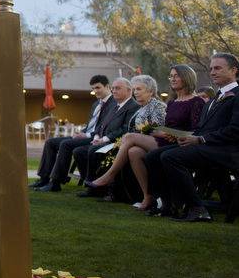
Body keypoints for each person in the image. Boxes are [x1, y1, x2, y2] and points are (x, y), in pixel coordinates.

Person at [86, 66, 204, 211]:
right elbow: (163, 127)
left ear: (187, 78)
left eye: (176, 76)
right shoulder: (172, 102)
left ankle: (110, 175)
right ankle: (147, 197)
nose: (172, 78)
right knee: (134, 152)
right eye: (171, 76)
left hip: (179, 143)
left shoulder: (196, 101)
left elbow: (197, 130)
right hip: (163, 138)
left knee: (129, 137)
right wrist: (156, 131)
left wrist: (158, 131)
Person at [145, 53, 239, 222]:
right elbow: (202, 129)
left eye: (217, 68)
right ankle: (169, 205)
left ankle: (197, 208)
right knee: (152, 156)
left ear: (234, 70)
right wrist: (188, 137)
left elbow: (235, 130)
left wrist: (200, 139)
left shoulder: (236, 95)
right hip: (207, 146)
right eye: (211, 69)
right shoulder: (214, 99)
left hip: (228, 150)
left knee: (170, 157)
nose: (212, 72)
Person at [32, 75, 113, 192]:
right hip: (86, 135)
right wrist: (82, 132)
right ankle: (44, 178)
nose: (95, 91)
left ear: (107, 86)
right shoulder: (96, 104)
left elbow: (103, 127)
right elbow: (91, 123)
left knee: (66, 144)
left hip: (97, 138)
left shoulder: (113, 104)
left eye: (98, 88)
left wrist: (87, 135)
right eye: (93, 88)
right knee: (51, 142)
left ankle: (55, 183)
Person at [74, 77, 140, 196]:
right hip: (102, 140)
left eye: (118, 88)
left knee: (92, 151)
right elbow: (101, 125)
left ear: (129, 91)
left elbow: (125, 129)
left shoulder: (133, 106)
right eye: (113, 88)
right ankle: (90, 183)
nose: (114, 91)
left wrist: (104, 139)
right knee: (79, 151)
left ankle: (95, 189)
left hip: (117, 142)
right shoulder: (115, 105)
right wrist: (97, 137)